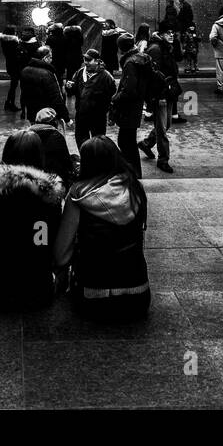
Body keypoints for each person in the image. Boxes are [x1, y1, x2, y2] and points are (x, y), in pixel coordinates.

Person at [52, 136, 151, 323]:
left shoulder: (78, 195)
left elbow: (61, 255)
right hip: (138, 297)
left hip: (92, 298)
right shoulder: (136, 189)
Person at [0, 130, 66, 311]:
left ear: (7, 154)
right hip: (39, 292)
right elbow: (53, 241)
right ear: (39, 157)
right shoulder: (49, 194)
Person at [110, 34, 159, 178]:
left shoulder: (130, 62)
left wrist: (115, 98)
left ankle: (133, 172)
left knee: (126, 141)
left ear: (120, 48)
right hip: (137, 104)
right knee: (127, 140)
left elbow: (129, 88)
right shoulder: (142, 58)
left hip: (129, 106)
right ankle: (133, 171)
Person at [137, 32, 177, 172]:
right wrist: (158, 95)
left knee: (166, 124)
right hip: (161, 94)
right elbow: (154, 76)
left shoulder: (166, 47)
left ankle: (147, 143)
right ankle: (163, 159)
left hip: (169, 91)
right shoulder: (155, 49)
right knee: (162, 129)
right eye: (168, 33)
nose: (172, 35)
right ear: (161, 35)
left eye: (173, 33)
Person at [67, 48, 116, 147]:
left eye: (89, 60)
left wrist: (112, 116)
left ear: (97, 61)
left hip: (98, 117)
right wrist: (69, 87)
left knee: (98, 144)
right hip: (81, 115)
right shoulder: (80, 73)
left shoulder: (106, 77)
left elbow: (113, 98)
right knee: (81, 142)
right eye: (85, 59)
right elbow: (72, 91)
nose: (86, 62)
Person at [20, 44, 68, 124]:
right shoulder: (48, 74)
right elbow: (56, 97)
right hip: (47, 115)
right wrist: (66, 117)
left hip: (32, 114)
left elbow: (23, 95)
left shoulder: (25, 71)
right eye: (51, 57)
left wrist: (24, 112)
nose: (51, 60)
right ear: (45, 58)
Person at [30, 108, 77, 187]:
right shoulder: (57, 137)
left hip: (31, 180)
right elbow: (66, 163)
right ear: (54, 122)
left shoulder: (26, 135)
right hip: (53, 182)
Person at [0, 25, 23, 112]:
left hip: (9, 64)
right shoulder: (14, 42)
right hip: (16, 65)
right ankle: (11, 104)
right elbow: (18, 53)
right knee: (14, 85)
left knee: (13, 84)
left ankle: (9, 102)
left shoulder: (3, 41)